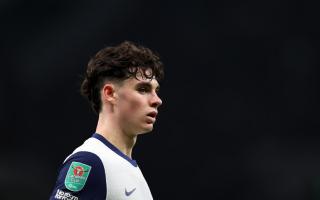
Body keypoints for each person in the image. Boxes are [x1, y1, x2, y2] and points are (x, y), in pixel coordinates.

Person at [49, 41, 164, 200]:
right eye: (143, 89)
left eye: (156, 90)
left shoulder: (128, 168)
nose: (157, 100)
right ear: (109, 93)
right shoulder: (90, 162)